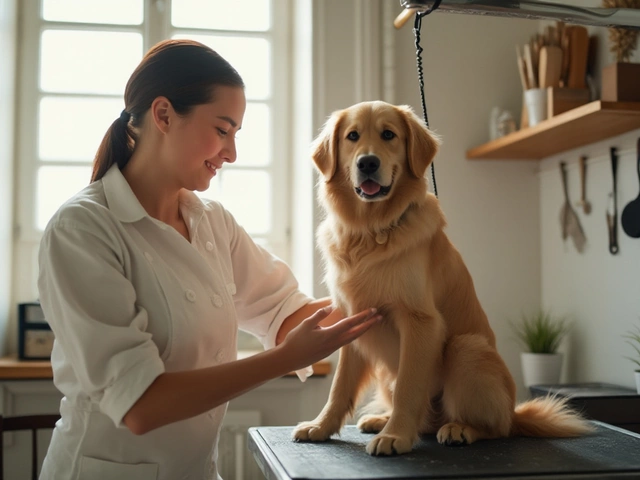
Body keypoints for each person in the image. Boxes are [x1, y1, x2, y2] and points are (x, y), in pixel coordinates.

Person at [36, 39, 381, 480]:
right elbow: (140, 405)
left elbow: (287, 315)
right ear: (163, 115)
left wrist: (383, 294)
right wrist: (280, 360)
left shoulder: (212, 222)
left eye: (235, 134)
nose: (231, 153)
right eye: (222, 130)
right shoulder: (82, 230)